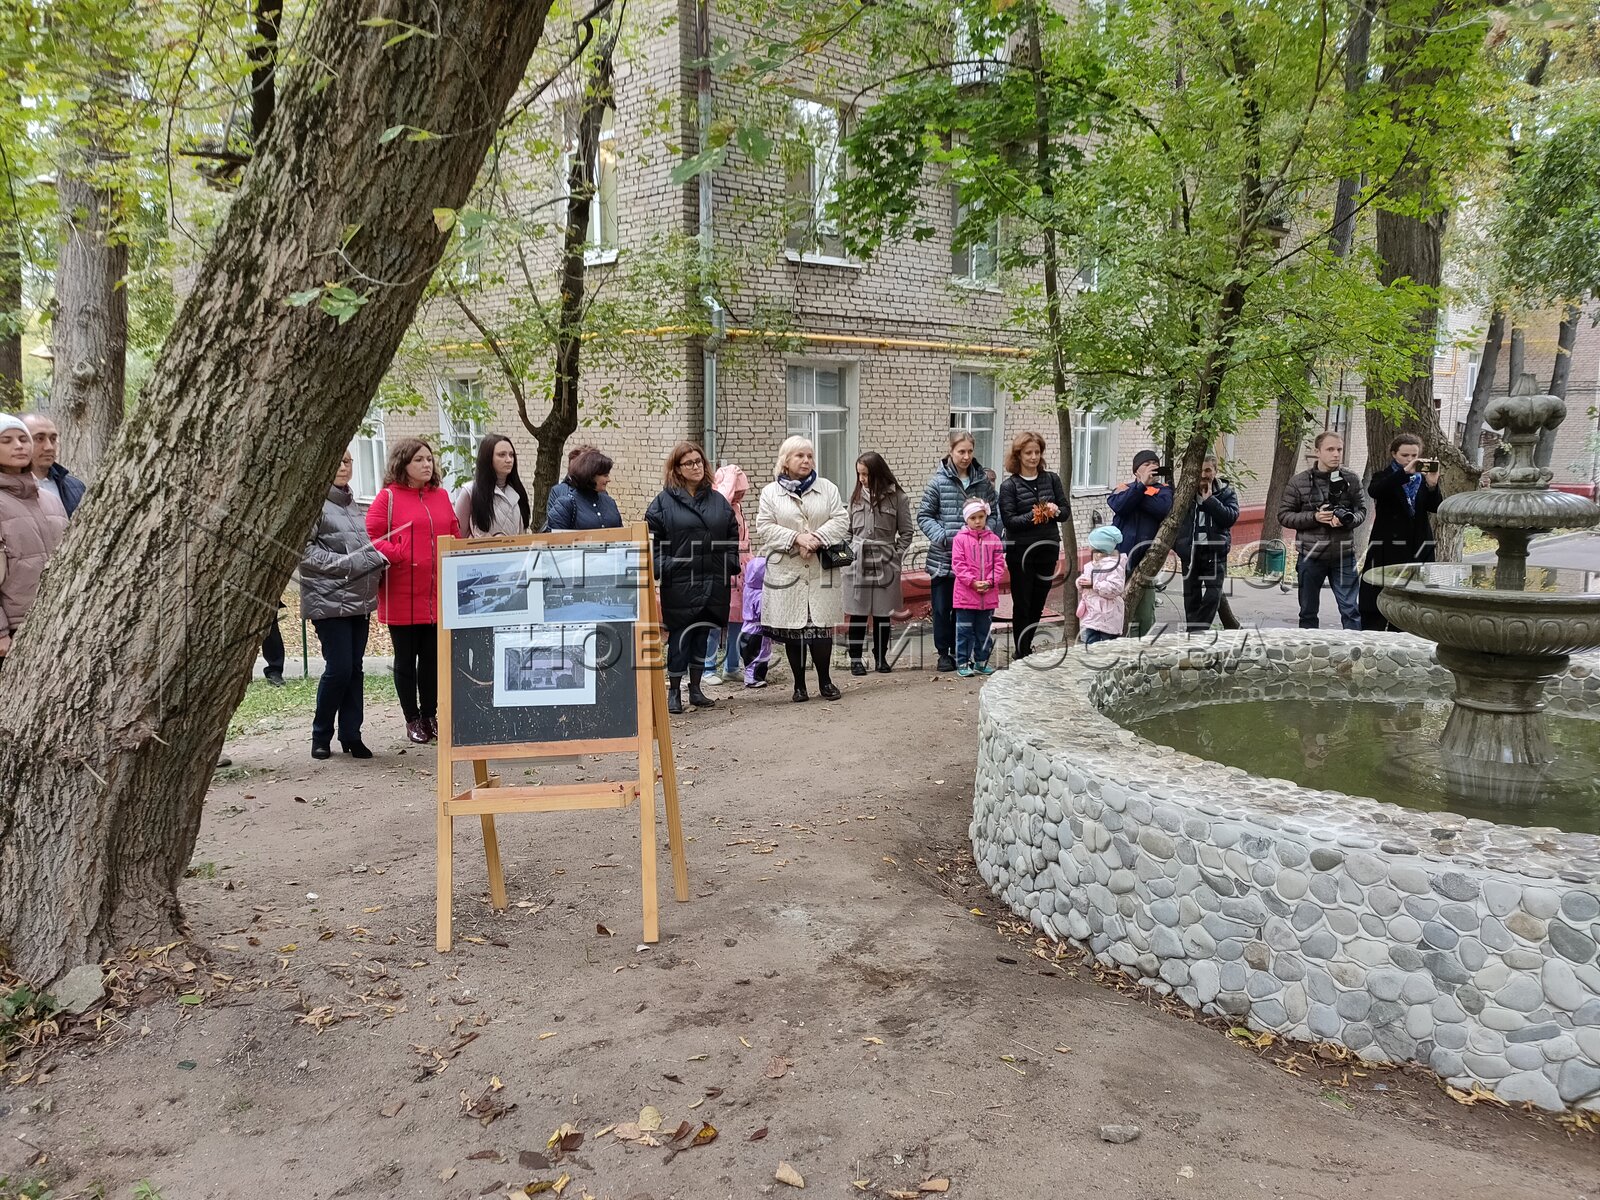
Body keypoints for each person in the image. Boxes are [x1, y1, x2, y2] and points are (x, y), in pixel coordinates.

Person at [367, 437, 459, 743]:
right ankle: (412, 718)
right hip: (402, 592)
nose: (426, 464)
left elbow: (455, 532)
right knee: (406, 658)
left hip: (436, 593)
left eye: (429, 459)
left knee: (432, 659)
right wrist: (399, 553)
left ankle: (430, 714)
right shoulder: (387, 498)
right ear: (403, 464)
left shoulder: (442, 496)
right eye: (419, 459)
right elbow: (372, 536)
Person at [300, 451, 389, 759]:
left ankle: (352, 735)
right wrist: (344, 564)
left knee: (354, 669)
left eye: (348, 461)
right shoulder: (313, 504)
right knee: (338, 669)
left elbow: (366, 548)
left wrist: (377, 561)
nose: (343, 466)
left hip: (360, 599)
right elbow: (303, 552)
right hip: (327, 599)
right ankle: (320, 735)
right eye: (337, 460)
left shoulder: (355, 505)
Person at [645, 441, 740, 715]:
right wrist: (669, 565)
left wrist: (729, 563)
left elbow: (732, 534)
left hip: (713, 578)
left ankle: (696, 689)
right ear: (677, 468)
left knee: (702, 634)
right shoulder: (663, 503)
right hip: (682, 581)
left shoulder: (717, 500)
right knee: (681, 638)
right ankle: (673, 691)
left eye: (699, 462)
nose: (696, 467)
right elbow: (653, 544)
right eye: (689, 463)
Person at [756, 436, 850, 702]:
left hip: (820, 569)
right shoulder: (770, 493)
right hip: (787, 571)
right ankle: (799, 686)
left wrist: (816, 539)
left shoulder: (827, 488)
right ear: (786, 460)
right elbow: (764, 526)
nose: (807, 460)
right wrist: (797, 539)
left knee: (820, 629)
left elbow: (841, 520)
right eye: (800, 456)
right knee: (794, 631)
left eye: (810, 456)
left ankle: (825, 682)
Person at [917, 431, 1000, 673]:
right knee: (943, 608)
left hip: (977, 561)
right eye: (961, 451)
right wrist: (943, 536)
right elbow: (924, 515)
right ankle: (944, 653)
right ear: (951, 451)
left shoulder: (982, 482)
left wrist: (987, 536)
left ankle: (964, 652)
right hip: (944, 557)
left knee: (970, 608)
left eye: (969, 451)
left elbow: (995, 513)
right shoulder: (938, 482)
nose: (965, 456)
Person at [1278, 431, 1367, 630]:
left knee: (1351, 610)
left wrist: (1348, 520)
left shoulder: (1351, 479)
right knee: (1308, 612)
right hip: (1311, 555)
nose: (1336, 454)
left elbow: (1361, 510)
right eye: (1330, 449)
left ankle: (1355, 657)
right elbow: (1284, 516)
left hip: (1343, 555)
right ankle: (1309, 655)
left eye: (1339, 449)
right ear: (1317, 452)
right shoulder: (1298, 482)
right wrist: (1314, 517)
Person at [0, 414, 68, 662]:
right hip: (14, 629)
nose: (18, 445)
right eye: (6, 440)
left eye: (23, 439)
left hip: (57, 619)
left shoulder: (49, 498)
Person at [997, 432, 1069, 659]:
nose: (1033, 457)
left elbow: (1065, 512)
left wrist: (1055, 511)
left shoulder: (1051, 479)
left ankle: (1027, 645)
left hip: (1047, 548)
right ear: (1018, 455)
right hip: (1021, 552)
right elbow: (1010, 521)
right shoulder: (1010, 486)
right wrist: (1035, 513)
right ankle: (1022, 649)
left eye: (1037, 452)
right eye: (1028, 453)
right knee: (1023, 601)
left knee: (1038, 600)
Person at [1359, 434, 1442, 631]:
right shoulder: (1384, 476)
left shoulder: (1422, 480)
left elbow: (1436, 507)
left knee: (1412, 602)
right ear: (1394, 454)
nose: (1410, 459)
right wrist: (1404, 473)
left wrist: (1432, 485)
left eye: (1414, 455)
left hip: (1418, 546)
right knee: (1377, 598)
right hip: (1387, 548)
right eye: (1405, 455)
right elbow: (1376, 491)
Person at [843, 451, 913, 675]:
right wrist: (848, 556)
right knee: (858, 612)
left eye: (865, 474)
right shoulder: (855, 497)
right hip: (858, 558)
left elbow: (907, 532)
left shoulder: (898, 497)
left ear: (877, 473)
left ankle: (881, 656)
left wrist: (896, 555)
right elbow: (847, 531)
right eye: (859, 474)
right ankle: (855, 658)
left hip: (885, 559)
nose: (861, 479)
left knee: (883, 613)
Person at [1106, 450, 1174, 636]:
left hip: (1146, 561)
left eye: (1154, 463)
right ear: (1136, 470)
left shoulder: (1164, 490)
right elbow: (1118, 505)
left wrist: (1136, 492)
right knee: (1116, 609)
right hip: (1119, 559)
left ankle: (1141, 649)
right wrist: (1140, 488)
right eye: (1146, 464)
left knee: (1144, 614)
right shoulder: (1122, 487)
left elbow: (1162, 508)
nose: (1151, 467)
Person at [1172, 455, 1239, 633]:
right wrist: (1179, 546)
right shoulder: (1184, 493)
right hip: (1191, 552)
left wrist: (1210, 500)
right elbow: (1173, 520)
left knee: (1212, 595)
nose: (1203, 474)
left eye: (1208, 470)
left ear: (1215, 472)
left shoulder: (1226, 492)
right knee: (1191, 598)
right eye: (1200, 470)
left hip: (1215, 552)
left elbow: (1230, 517)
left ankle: (1194, 633)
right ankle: (1195, 637)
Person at [702, 464, 752, 687]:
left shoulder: (738, 508)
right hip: (720, 568)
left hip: (740, 572)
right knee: (714, 620)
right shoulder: (717, 506)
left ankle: (732, 666)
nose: (740, 494)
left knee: (737, 620)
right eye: (736, 488)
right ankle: (707, 667)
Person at [952, 499, 1006, 677]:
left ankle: (981, 662)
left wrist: (990, 582)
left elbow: (999, 565)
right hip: (966, 596)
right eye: (973, 517)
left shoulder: (994, 540)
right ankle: (963, 661)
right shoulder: (960, 540)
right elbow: (958, 564)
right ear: (966, 519)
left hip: (987, 595)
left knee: (984, 631)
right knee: (964, 630)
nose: (977, 521)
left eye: (981, 517)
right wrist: (973, 582)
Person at [454, 433, 530, 537]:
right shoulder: (469, 492)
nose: (509, 460)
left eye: (511, 455)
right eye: (502, 455)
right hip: (481, 553)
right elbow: (459, 537)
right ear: (488, 458)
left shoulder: (518, 491)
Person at [543, 444, 622, 532]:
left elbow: (623, 536)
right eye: (605, 475)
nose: (608, 480)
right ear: (591, 475)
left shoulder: (610, 502)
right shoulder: (566, 504)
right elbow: (554, 540)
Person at [20, 413, 86, 516]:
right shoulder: (8, 488)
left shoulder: (75, 488)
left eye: (53, 439)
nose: (49, 447)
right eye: (39, 439)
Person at [1077, 524, 1127, 646]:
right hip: (1092, 615)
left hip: (1107, 617)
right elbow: (1086, 580)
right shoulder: (1092, 565)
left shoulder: (1113, 566)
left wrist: (1094, 584)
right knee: (1090, 648)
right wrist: (1080, 582)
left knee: (1107, 649)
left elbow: (1115, 588)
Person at [738, 554, 772, 687]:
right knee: (758, 656)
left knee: (751, 656)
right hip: (757, 631)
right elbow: (762, 613)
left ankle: (755, 677)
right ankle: (752, 678)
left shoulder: (748, 588)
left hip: (746, 629)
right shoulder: (760, 594)